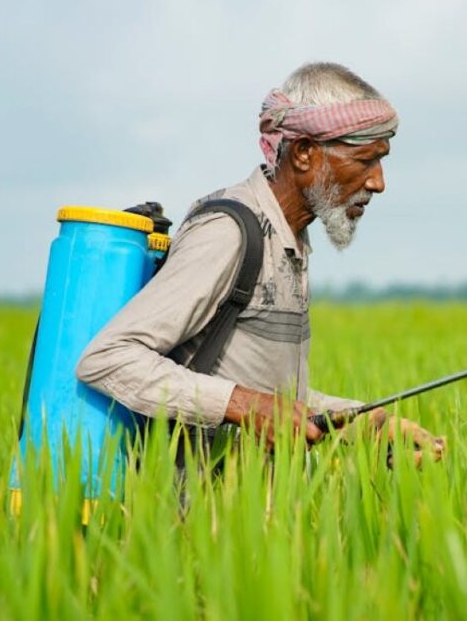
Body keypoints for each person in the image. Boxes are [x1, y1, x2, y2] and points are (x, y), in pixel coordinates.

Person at [76, 62, 445, 466]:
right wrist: (243, 405)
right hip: (192, 516)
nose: (378, 182)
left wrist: (371, 426)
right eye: (364, 161)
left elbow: (274, 397)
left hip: (253, 513)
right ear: (304, 154)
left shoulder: (290, 240)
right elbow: (108, 356)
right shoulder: (228, 232)